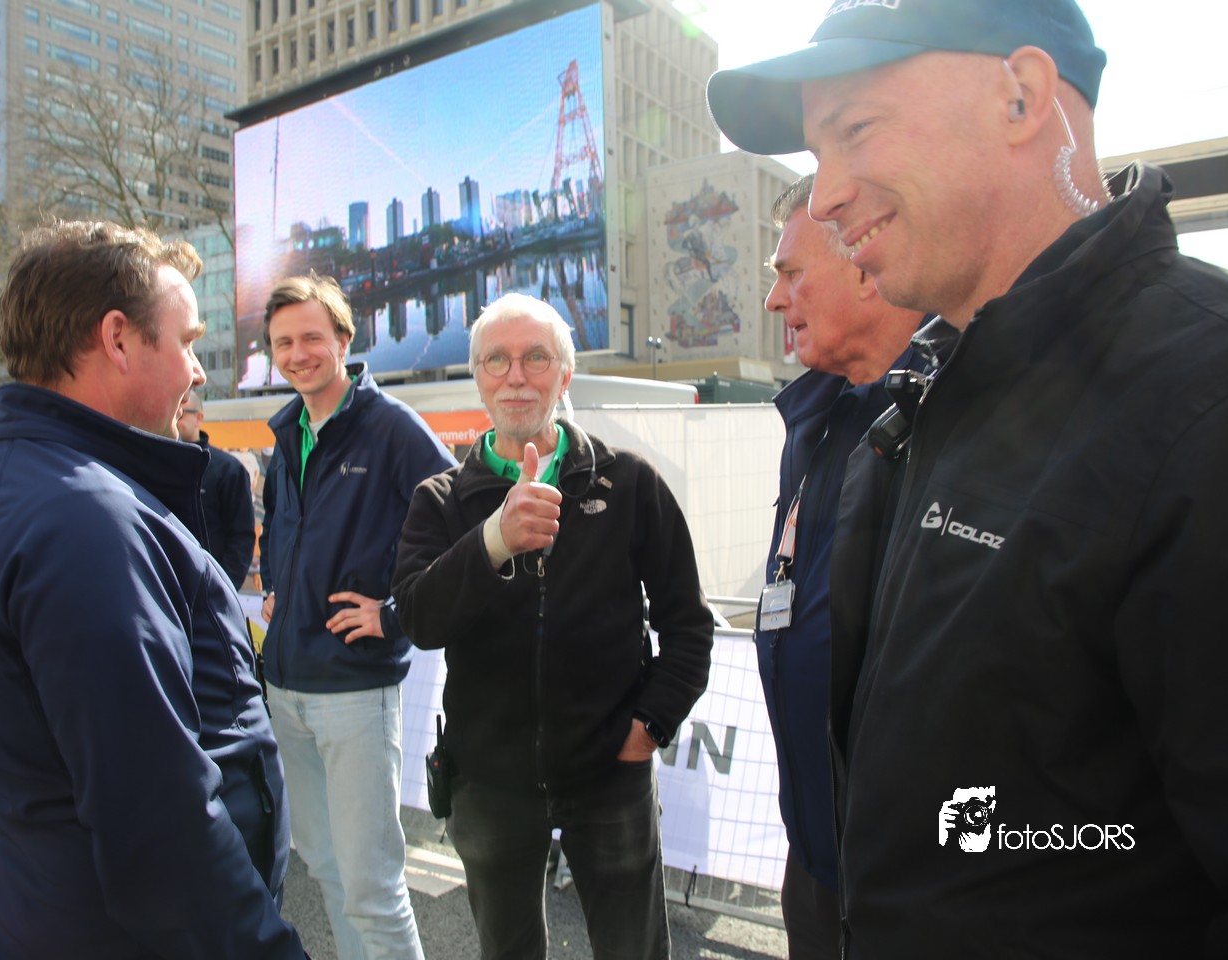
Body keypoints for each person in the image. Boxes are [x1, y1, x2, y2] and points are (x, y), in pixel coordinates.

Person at [707, 1, 1228, 956]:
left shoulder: (1212, 397)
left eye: (855, 130)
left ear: (1022, 97)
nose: (824, 196)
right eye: (817, 153)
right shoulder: (925, 391)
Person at [0, 220, 307, 959]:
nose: (197, 372)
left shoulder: (19, 490)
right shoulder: (84, 518)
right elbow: (159, 820)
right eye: (187, 342)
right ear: (118, 340)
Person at [392, 293, 714, 960]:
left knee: (634, 950)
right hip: (487, 783)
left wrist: (647, 729)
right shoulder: (441, 500)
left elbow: (688, 624)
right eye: (497, 360)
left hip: (610, 775)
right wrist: (494, 540)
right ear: (478, 377)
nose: (516, 376)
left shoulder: (629, 484)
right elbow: (419, 619)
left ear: (565, 374)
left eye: (535, 357)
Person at [257, 272, 452, 960]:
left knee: (371, 885)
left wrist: (395, 615)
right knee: (326, 869)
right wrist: (277, 586)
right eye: (283, 342)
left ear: (344, 339)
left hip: (354, 692)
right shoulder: (288, 430)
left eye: (311, 337)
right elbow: (278, 528)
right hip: (285, 688)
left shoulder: (391, 428)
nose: (298, 354)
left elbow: (460, 528)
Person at [755, 173, 924, 960]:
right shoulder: (813, 421)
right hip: (816, 864)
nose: (774, 300)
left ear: (863, 264)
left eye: (791, 273)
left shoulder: (958, 413)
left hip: (919, 886)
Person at [176, 389, 256, 589]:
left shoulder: (228, 469)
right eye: (173, 410)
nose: (176, 417)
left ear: (199, 418)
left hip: (209, 587)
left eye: (182, 412)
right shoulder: (157, 464)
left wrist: (222, 590)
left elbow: (241, 537)